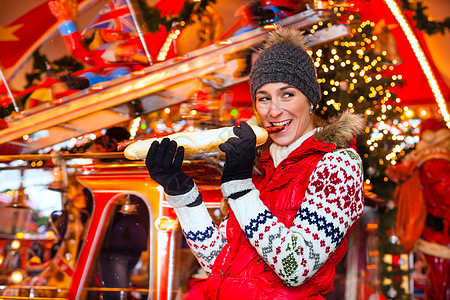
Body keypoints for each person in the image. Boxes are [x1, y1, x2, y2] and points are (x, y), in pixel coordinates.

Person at [145, 27, 365, 299]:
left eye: (287, 94)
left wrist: (240, 188)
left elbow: (296, 266)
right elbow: (218, 262)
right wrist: (183, 195)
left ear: (310, 99)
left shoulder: (338, 165)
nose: (274, 111)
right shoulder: (259, 164)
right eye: (264, 98)